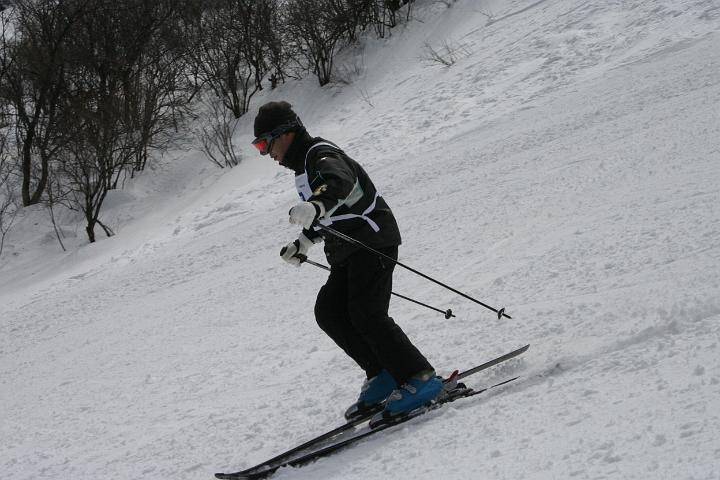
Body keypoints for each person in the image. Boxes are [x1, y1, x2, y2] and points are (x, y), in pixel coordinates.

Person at [252, 101, 442, 419]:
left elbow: (338, 184)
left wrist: (316, 205)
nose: (265, 153)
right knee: (330, 311)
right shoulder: (303, 167)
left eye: (264, 144)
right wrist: (303, 242)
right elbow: (330, 213)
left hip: (372, 242)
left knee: (367, 314)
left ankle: (419, 377)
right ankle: (382, 374)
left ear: (284, 134)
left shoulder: (321, 155)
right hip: (347, 249)